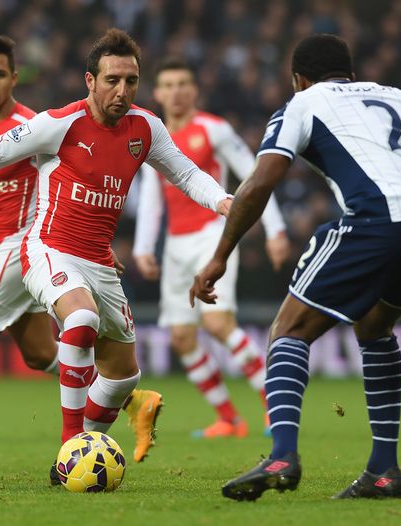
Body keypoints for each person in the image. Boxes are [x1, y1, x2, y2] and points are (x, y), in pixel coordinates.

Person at [0, 28, 233, 483]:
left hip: (97, 259)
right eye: (112, 80)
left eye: (131, 81)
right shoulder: (60, 122)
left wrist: (222, 200)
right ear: (89, 80)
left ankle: (83, 453)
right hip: (47, 249)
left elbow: (188, 174)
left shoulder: (146, 127)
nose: (123, 91)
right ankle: (68, 447)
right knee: (79, 321)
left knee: (122, 376)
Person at [190, 34, 401, 501]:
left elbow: (261, 180)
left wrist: (220, 254)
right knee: (374, 326)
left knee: (288, 330)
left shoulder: (302, 103)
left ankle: (282, 454)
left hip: (382, 218)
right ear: (349, 71)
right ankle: (384, 472)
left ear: (298, 79)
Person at [133, 58, 290, 439]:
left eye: (183, 83)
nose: (176, 91)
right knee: (182, 338)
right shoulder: (152, 137)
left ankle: (276, 410)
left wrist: (275, 229)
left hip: (211, 236)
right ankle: (229, 420)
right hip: (174, 246)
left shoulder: (215, 130)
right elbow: (154, 197)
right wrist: (143, 246)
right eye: (168, 84)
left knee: (219, 324)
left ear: (194, 90)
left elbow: (256, 178)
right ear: (157, 93)